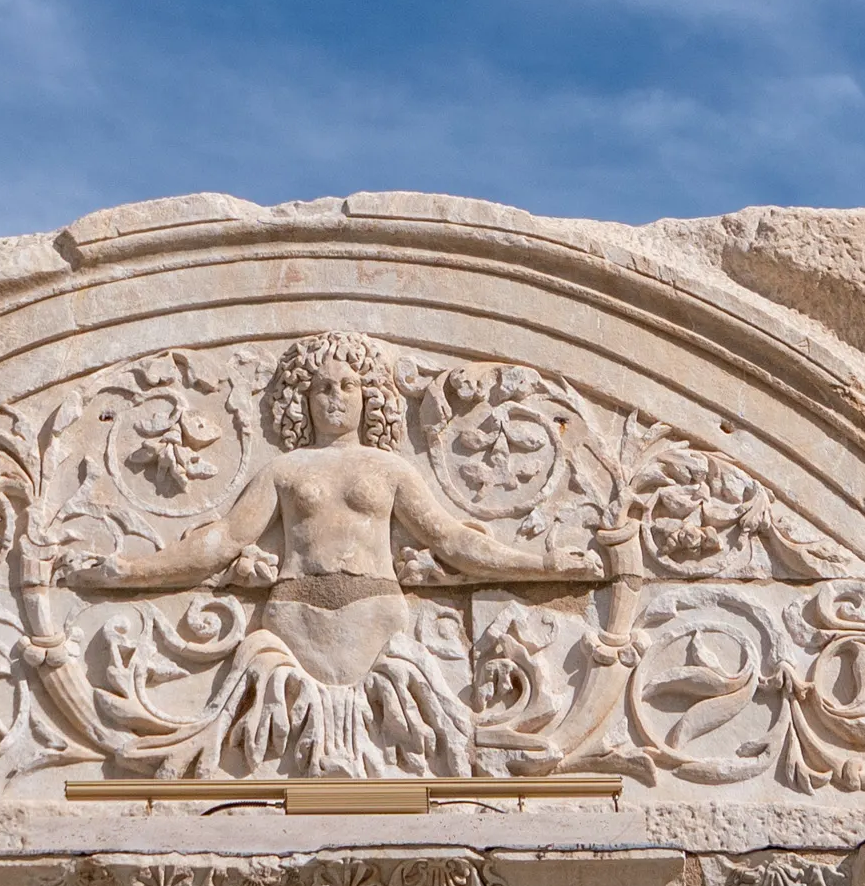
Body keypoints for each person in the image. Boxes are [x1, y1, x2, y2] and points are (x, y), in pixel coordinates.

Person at [71, 333, 583, 777]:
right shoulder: (286, 470)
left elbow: (450, 541)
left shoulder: (390, 471)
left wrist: (541, 565)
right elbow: (223, 541)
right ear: (302, 399)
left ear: (370, 396)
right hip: (295, 626)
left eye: (347, 386)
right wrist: (130, 569)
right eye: (321, 388)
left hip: (377, 624)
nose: (334, 398)